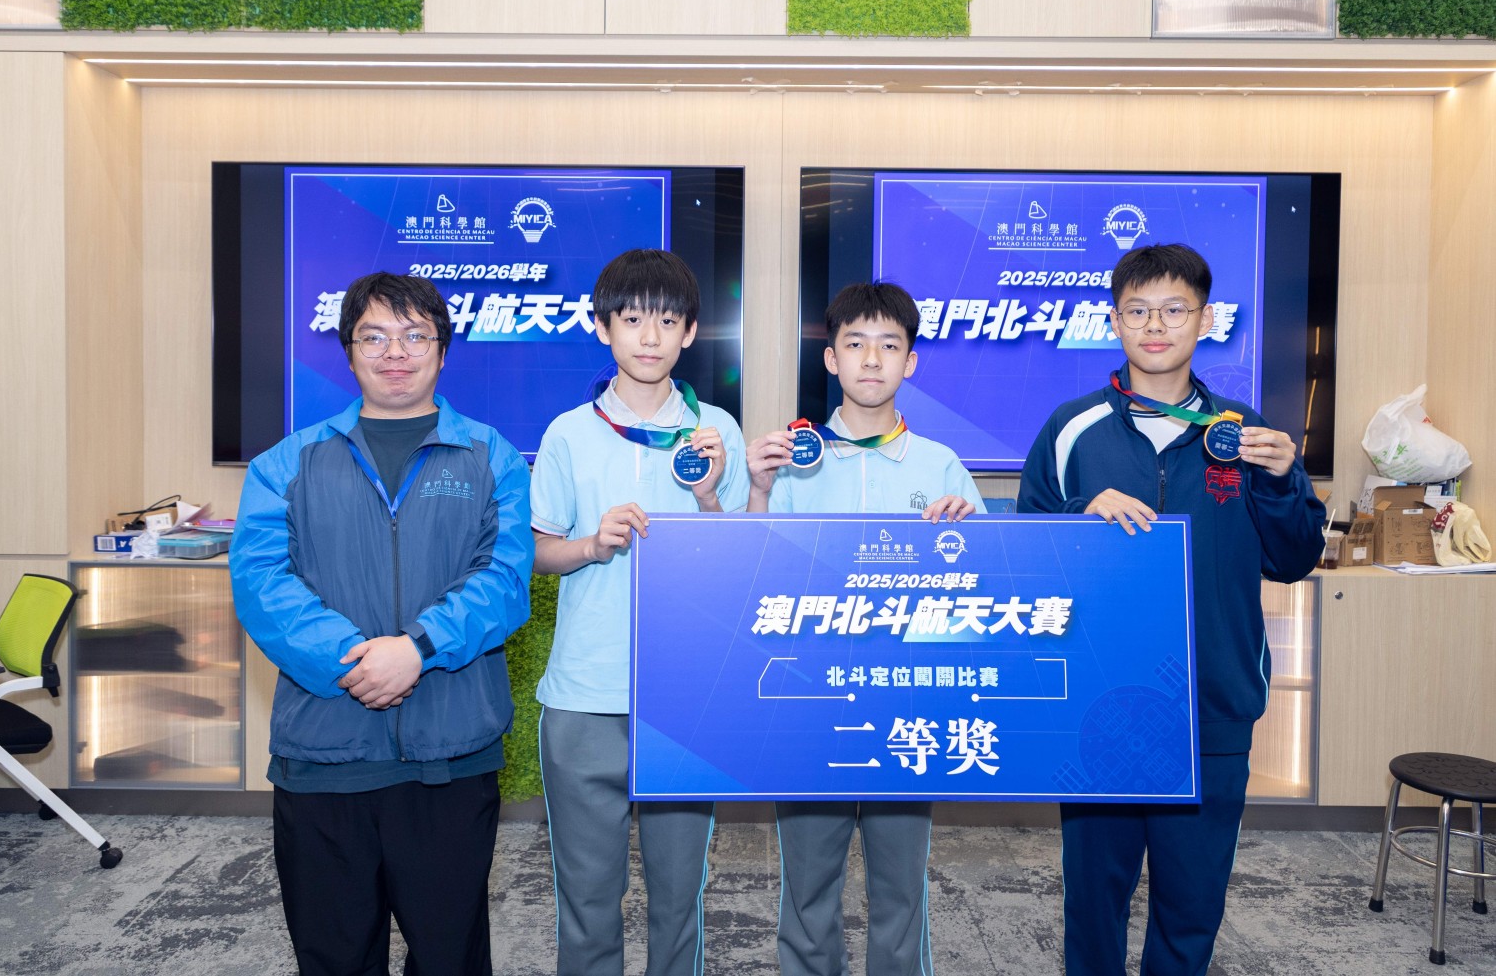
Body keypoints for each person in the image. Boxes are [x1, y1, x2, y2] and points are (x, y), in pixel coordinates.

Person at [1017, 243, 1325, 976]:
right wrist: (1078, 512)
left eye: (1175, 309)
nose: (1156, 325)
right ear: (1113, 321)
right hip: (1100, 706)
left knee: (1192, 907)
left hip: (1210, 707)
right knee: (1094, 904)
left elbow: (1293, 558)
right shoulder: (1070, 428)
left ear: (1206, 320)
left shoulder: (1246, 433)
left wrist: (1283, 480)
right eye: (1138, 311)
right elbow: (1024, 558)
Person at [231, 272, 534, 976]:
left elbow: (504, 579)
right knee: (335, 958)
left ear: (442, 350)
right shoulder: (286, 464)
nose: (395, 352)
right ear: (348, 350)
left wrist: (419, 649)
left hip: (450, 758)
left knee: (450, 958)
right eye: (374, 336)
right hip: (324, 757)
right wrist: (352, 655)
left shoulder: (491, 456)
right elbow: (261, 584)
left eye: (414, 336)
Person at [746, 281, 984, 976]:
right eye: (855, 343)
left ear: (911, 361)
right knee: (807, 886)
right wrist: (758, 491)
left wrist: (970, 533)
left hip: (906, 699)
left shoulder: (941, 465)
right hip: (811, 698)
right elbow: (752, 577)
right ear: (831, 359)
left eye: (889, 345)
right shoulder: (793, 460)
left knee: (901, 889)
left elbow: (985, 587)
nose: (872, 359)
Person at [529, 248, 748, 976]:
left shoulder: (718, 432)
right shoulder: (568, 432)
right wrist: (592, 544)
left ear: (690, 332)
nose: (649, 336)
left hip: (685, 696)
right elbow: (537, 550)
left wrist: (709, 496)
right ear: (602, 328)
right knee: (587, 899)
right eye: (631, 319)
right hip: (585, 696)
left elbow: (743, 566)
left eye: (667, 320)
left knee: (679, 900)